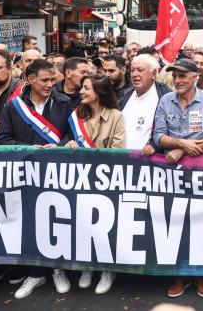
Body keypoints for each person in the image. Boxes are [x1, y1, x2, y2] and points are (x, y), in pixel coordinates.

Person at [0, 59, 74, 299]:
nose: (51, 84)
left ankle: (58, 269)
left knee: (57, 220)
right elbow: (3, 139)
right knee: (30, 223)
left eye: (53, 80)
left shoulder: (65, 102)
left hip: (56, 174)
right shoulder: (13, 106)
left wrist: (58, 145)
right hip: (26, 175)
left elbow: (73, 133)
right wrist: (32, 149)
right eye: (45, 80)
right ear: (30, 79)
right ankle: (35, 272)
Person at [153, 58, 203, 298]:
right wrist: (180, 142)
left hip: (202, 173)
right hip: (170, 175)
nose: (178, 80)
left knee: (201, 224)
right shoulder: (165, 100)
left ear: (195, 76)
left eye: (183, 76)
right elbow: (158, 137)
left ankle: (201, 275)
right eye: (175, 76)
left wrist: (182, 149)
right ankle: (180, 275)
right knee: (175, 224)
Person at [65, 74, 124, 294]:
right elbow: (67, 140)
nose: (81, 91)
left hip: (105, 180)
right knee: (83, 225)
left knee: (105, 227)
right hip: (80, 179)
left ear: (99, 92)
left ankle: (107, 269)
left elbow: (118, 150)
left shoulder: (116, 116)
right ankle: (87, 266)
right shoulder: (77, 115)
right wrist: (69, 143)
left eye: (86, 88)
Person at [119, 54, 170, 151]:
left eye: (140, 70)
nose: (134, 74)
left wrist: (153, 146)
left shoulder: (166, 97)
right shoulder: (123, 96)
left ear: (154, 74)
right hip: (122, 160)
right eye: (133, 70)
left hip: (149, 161)